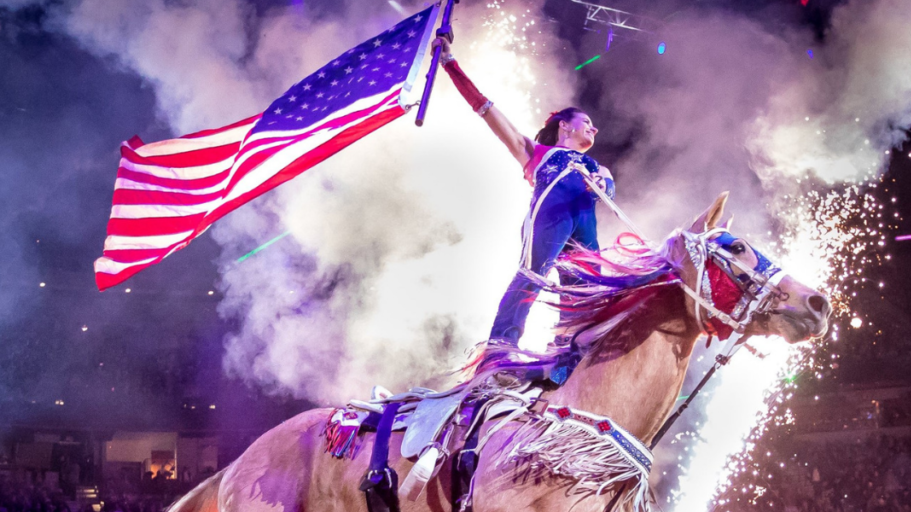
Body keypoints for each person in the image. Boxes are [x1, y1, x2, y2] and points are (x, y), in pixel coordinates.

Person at [433, 38, 615, 357]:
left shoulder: (598, 167)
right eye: (587, 122)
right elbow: (487, 111)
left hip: (584, 224)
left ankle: (566, 349)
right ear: (564, 126)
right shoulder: (539, 153)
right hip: (551, 217)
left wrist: (602, 181)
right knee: (533, 274)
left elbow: (609, 193)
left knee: (588, 289)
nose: (594, 129)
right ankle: (501, 345)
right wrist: (451, 64)